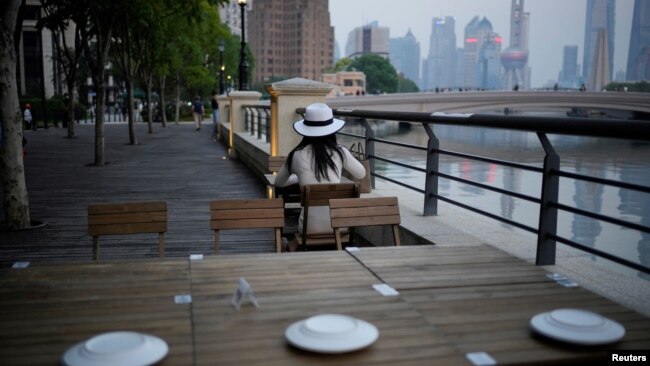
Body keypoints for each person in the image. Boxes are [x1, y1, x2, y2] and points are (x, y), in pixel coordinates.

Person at [274, 103, 366, 242]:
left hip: (309, 228)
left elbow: (279, 183)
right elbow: (361, 174)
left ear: (306, 129)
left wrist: (297, 178)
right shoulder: (340, 152)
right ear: (331, 129)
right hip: (340, 226)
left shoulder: (296, 155)